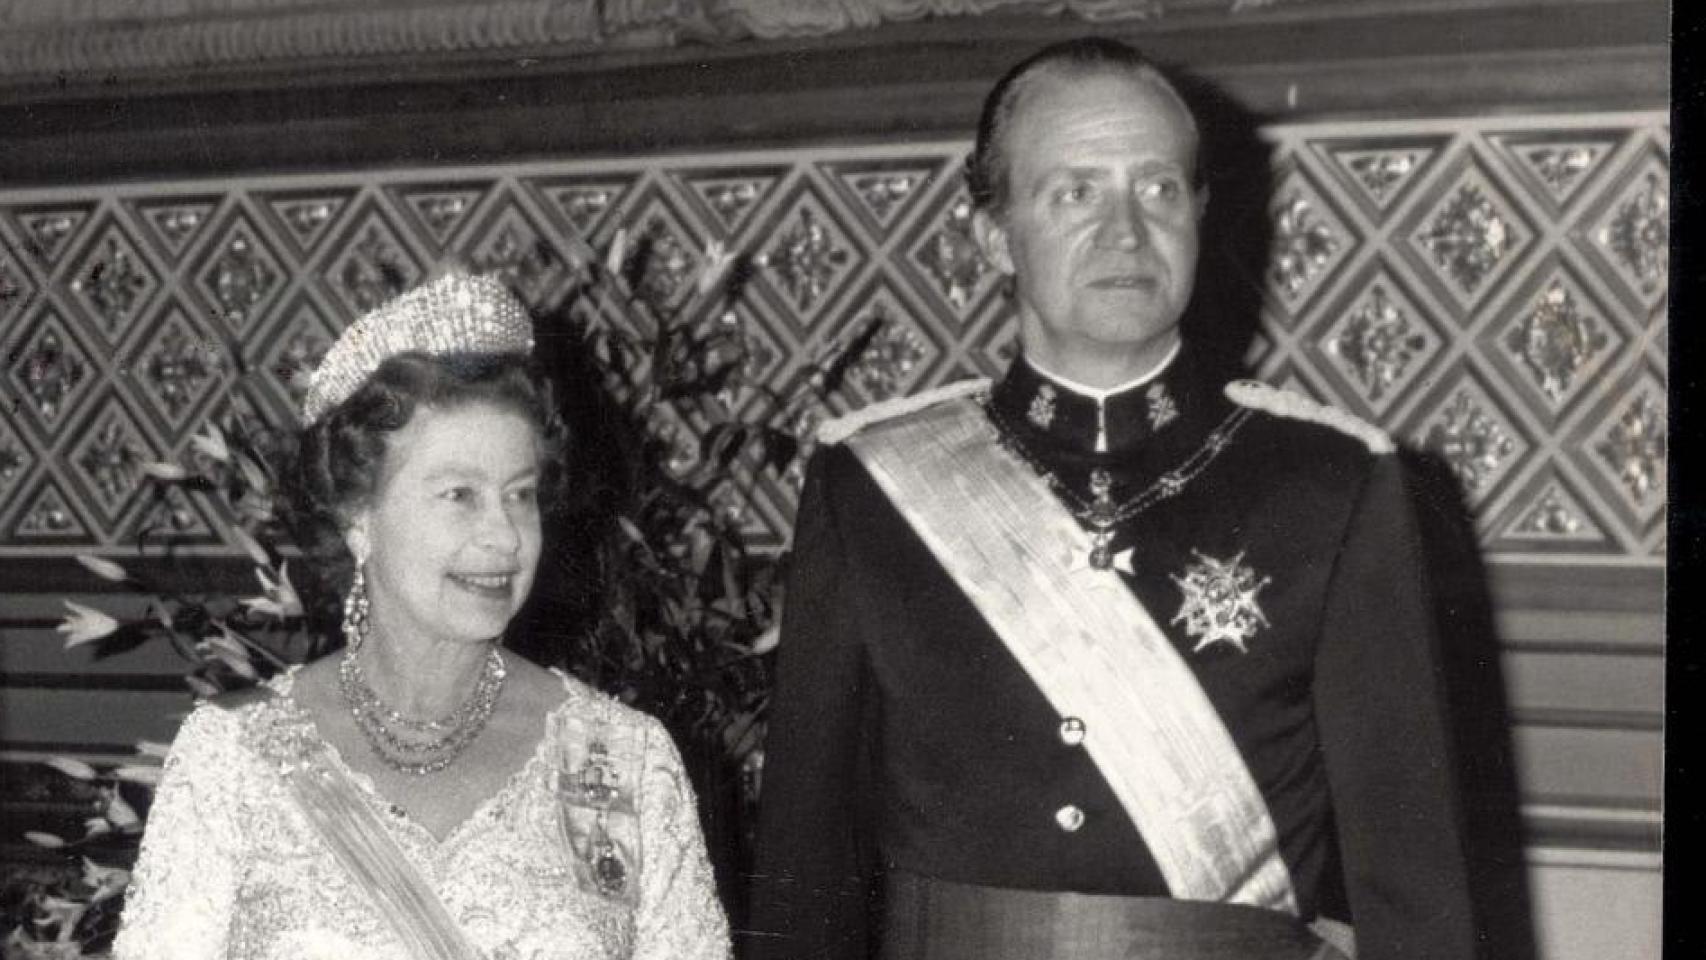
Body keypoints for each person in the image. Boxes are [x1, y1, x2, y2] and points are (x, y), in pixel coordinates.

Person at [748, 38, 1475, 960]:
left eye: (1160, 189)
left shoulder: (1331, 485)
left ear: (1202, 216)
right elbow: (803, 877)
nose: (1127, 233)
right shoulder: (872, 485)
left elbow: (1417, 898)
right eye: (1076, 191)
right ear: (993, 235)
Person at [114, 272, 730, 960]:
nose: (504, 536)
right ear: (359, 518)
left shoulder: (616, 761)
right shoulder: (235, 758)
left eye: (520, 494)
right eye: (459, 494)